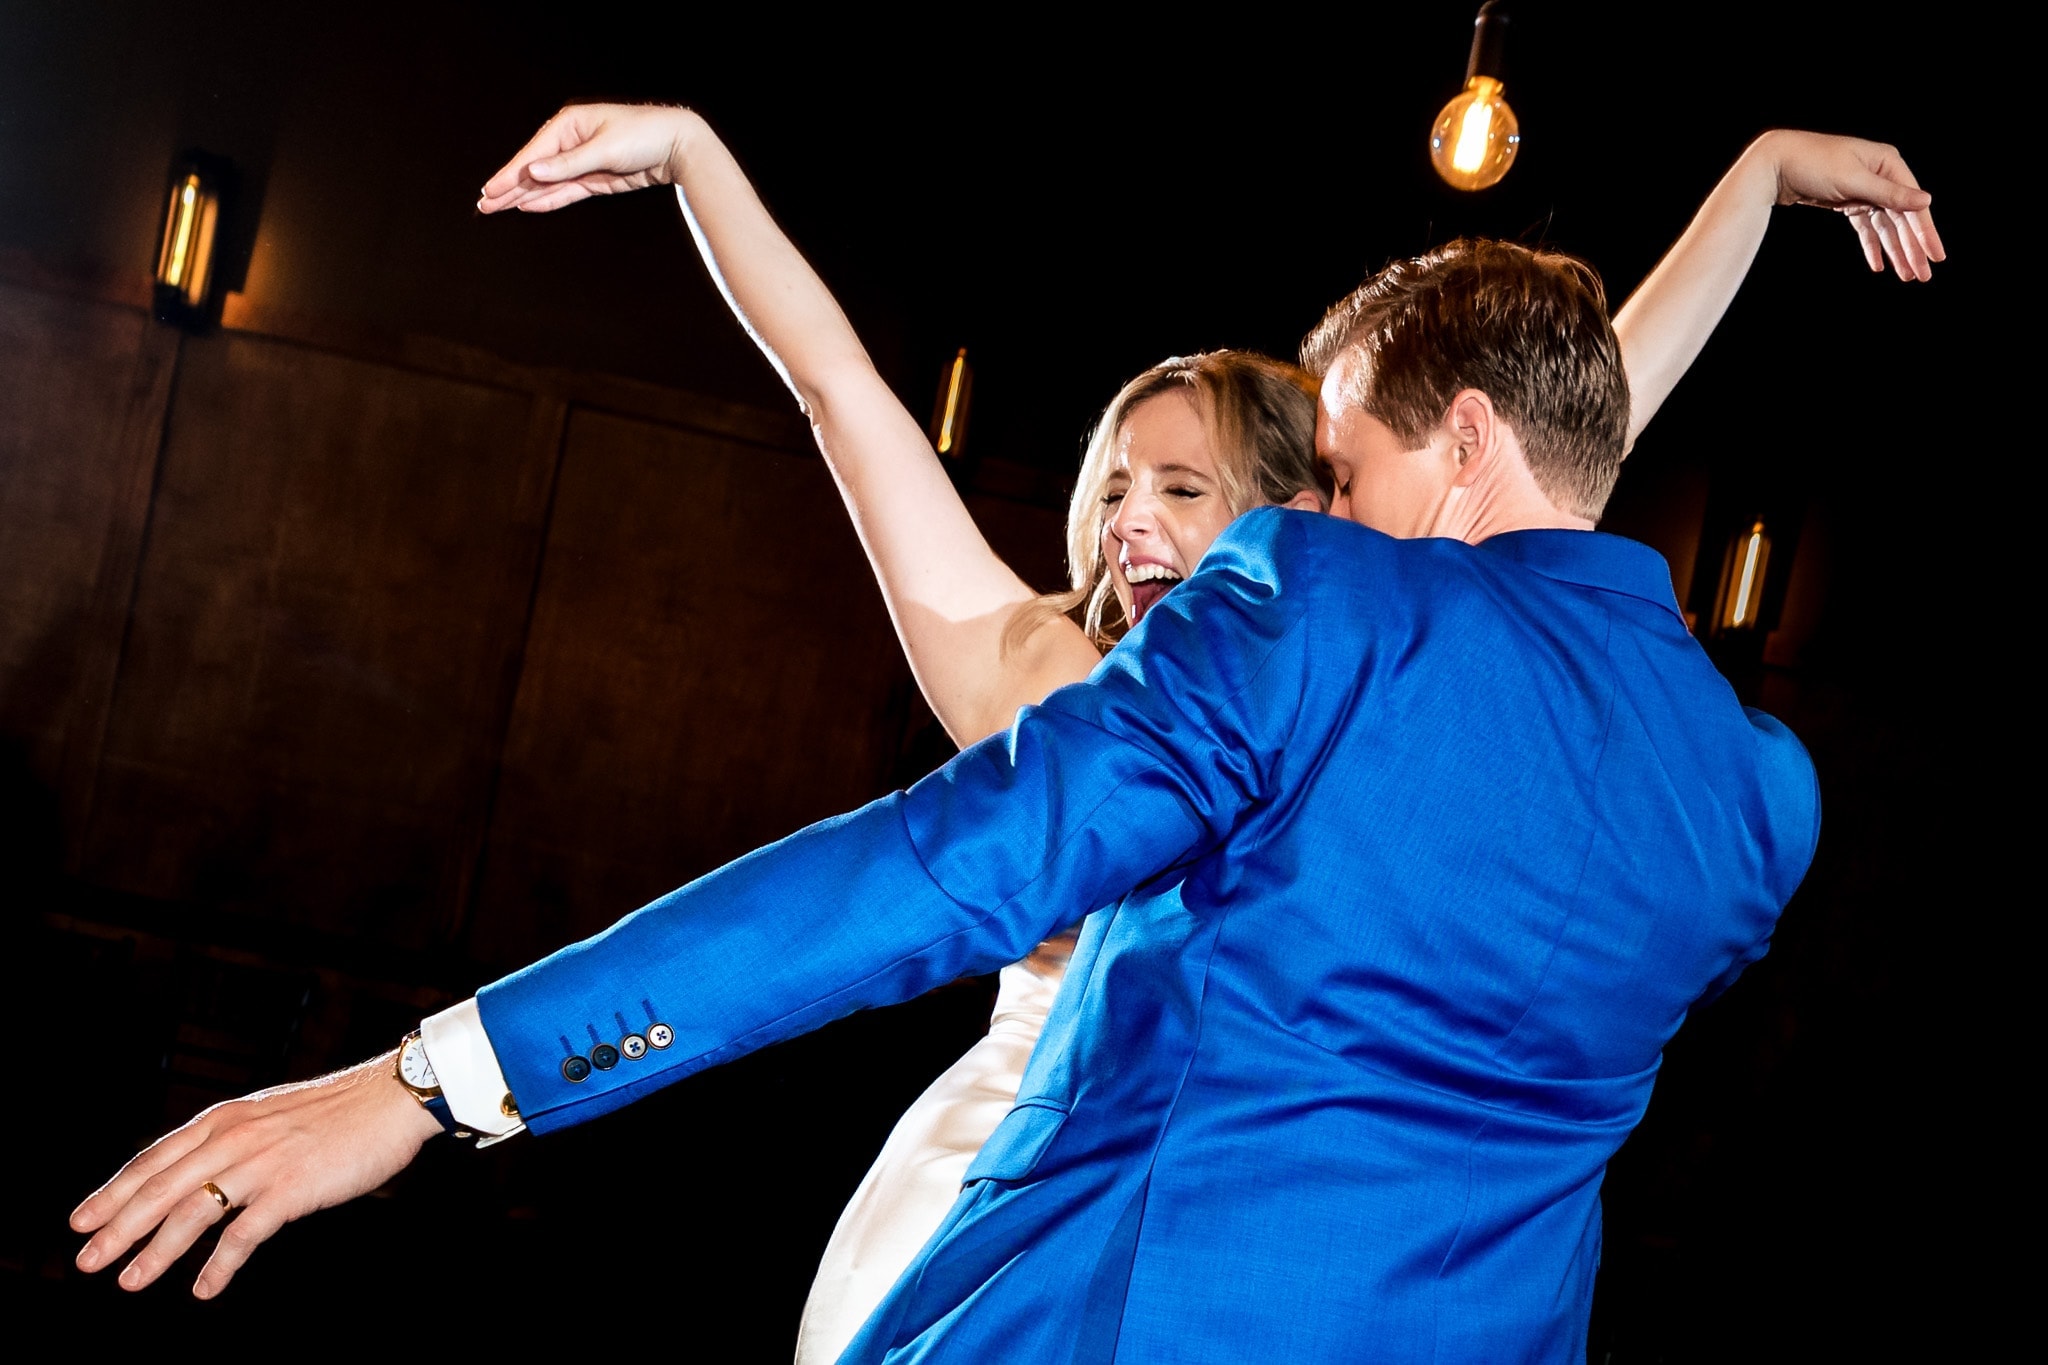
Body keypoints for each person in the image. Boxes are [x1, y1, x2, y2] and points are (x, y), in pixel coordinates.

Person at [69, 107, 1941, 1360]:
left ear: (1434, 454)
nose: (1334, 514)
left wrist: (434, 1080)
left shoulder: (1325, 602)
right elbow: (1563, 466)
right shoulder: (1756, 792)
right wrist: (1761, 180)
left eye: (1347, 472)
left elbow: (932, 870)